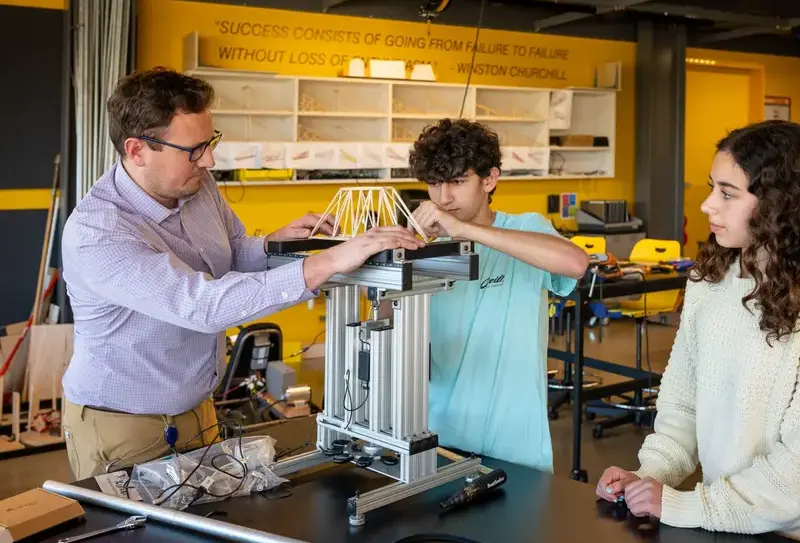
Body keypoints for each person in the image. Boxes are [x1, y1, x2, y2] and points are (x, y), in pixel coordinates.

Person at [60, 67, 423, 480]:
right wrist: (326, 262)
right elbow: (202, 305)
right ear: (138, 150)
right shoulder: (98, 232)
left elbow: (230, 251)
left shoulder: (196, 186)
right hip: (124, 427)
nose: (210, 160)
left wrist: (274, 246)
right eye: (194, 150)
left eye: (211, 142)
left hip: (199, 409)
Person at [596, 120, 800, 541]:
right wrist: (646, 476)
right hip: (723, 523)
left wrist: (687, 504)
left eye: (728, 193)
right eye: (712, 187)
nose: (707, 205)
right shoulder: (709, 280)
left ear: (780, 205)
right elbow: (682, 408)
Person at [405, 118, 590, 473]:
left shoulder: (526, 228)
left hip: (515, 444)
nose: (443, 198)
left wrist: (465, 230)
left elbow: (575, 262)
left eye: (458, 182)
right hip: (439, 436)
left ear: (489, 179)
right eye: (434, 184)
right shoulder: (426, 247)